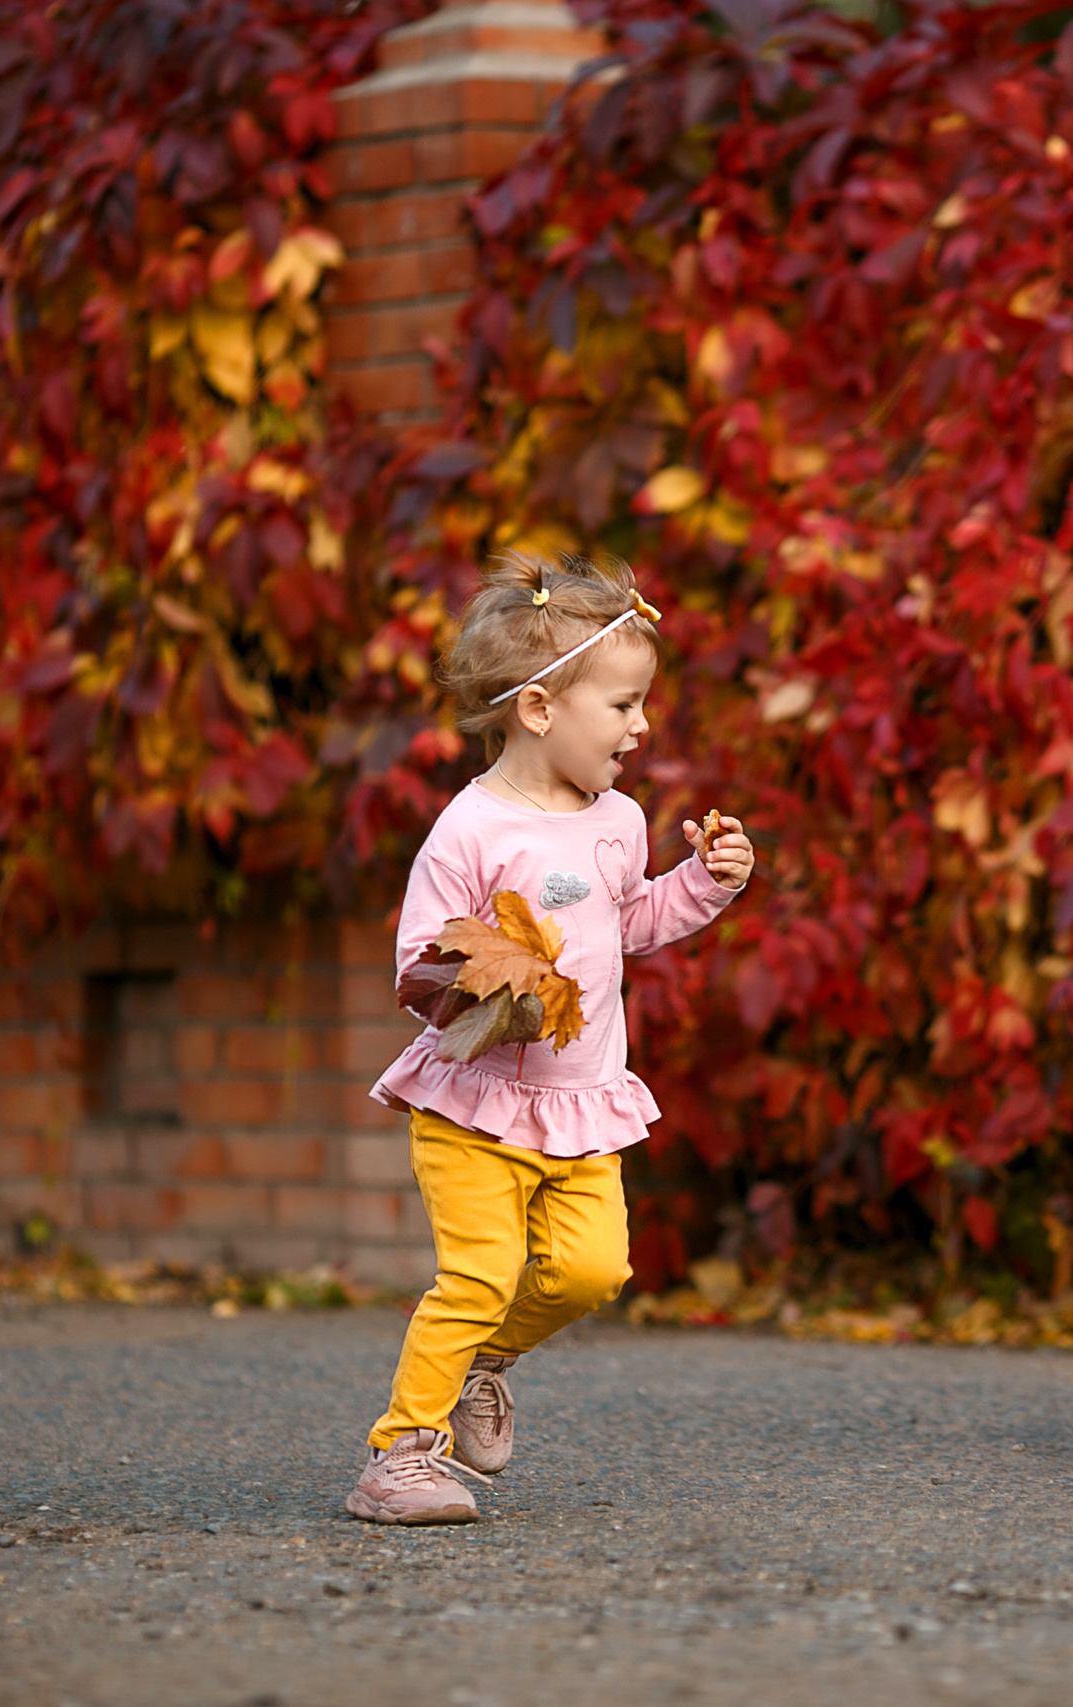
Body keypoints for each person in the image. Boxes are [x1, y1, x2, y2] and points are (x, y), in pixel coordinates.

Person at [345, 553, 755, 1524]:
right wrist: (494, 987)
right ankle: (399, 1455)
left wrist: (706, 882)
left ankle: (487, 1360)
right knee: (479, 1273)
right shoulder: (468, 831)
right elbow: (420, 964)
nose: (641, 726)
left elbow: (631, 924)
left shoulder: (619, 820)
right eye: (621, 707)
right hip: (476, 1108)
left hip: (582, 1102)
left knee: (591, 1272)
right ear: (539, 711)